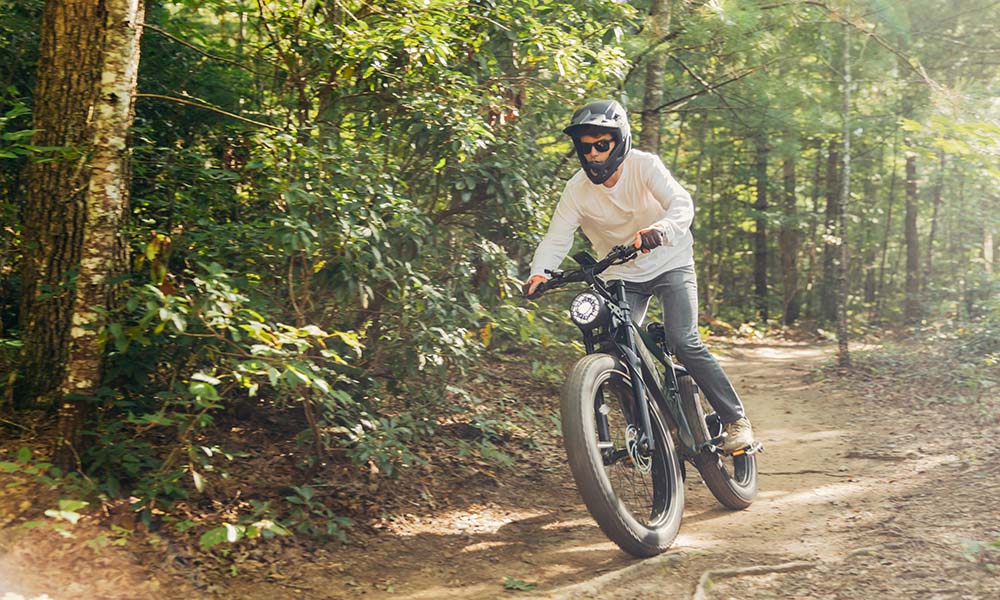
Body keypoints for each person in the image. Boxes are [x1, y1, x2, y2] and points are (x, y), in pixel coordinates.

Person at [522, 99, 754, 453]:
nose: (595, 154)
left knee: (683, 341)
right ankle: (652, 431)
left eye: (603, 145)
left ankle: (735, 419)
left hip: (669, 261)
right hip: (619, 273)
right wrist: (539, 273)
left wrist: (660, 230)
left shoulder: (644, 166)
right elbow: (557, 237)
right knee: (616, 346)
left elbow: (681, 204)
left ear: (620, 140)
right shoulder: (576, 190)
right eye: (587, 148)